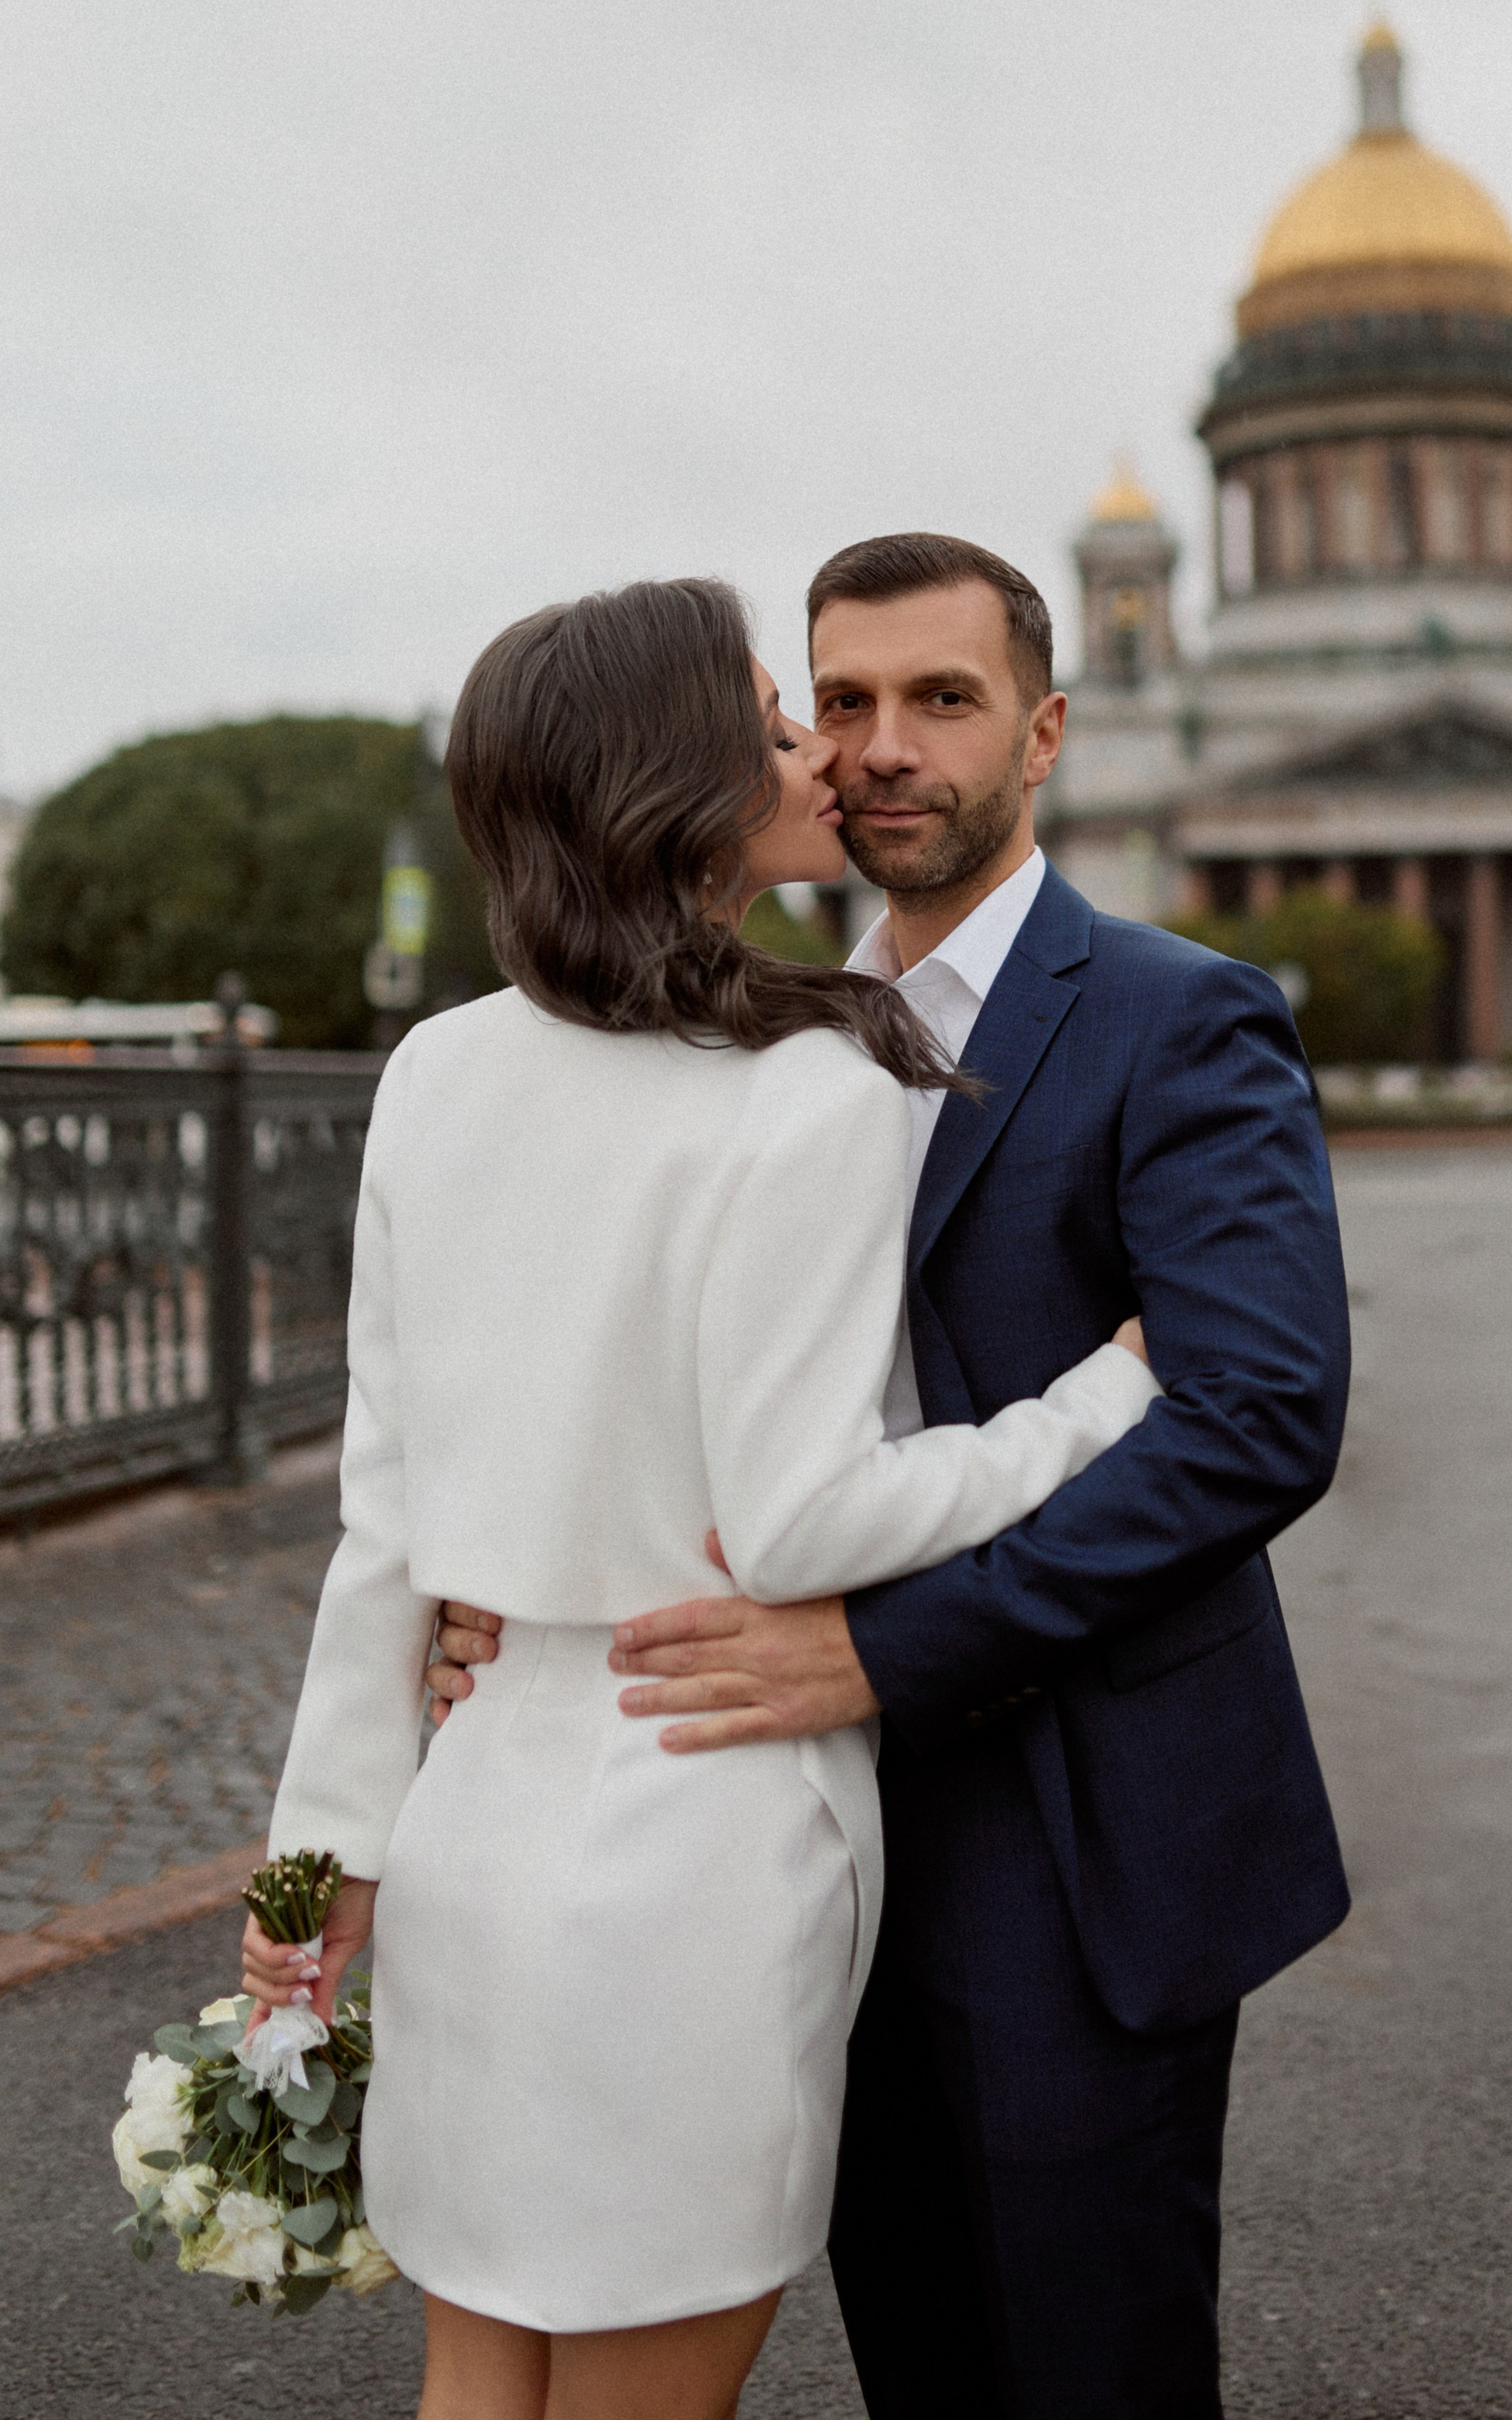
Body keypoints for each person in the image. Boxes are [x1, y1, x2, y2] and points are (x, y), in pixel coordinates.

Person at [430, 536, 1353, 2419]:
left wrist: (884, 1650)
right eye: (838, 702)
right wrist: (505, 1586)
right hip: (776, 1841)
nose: (880, 749)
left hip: (1078, 1826)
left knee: (1082, 2373)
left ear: (1047, 732)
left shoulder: (1178, 1016)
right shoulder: (742, 1031)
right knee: (919, 2360)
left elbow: (1255, 1413)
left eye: (942, 700)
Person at [239, 577, 1158, 2420]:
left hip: (476, 1822)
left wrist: (319, 1865)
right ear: (678, 784)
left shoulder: (435, 1072)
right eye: (771, 724)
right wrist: (1098, 1397)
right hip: (697, 1835)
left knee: (480, 2381)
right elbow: (804, 1526)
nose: (822, 752)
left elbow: (387, 1518)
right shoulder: (807, 1084)